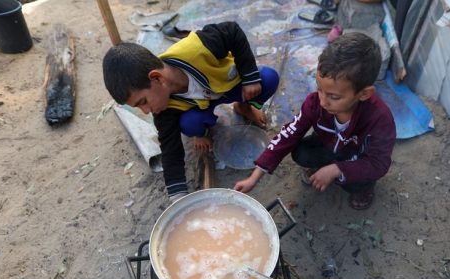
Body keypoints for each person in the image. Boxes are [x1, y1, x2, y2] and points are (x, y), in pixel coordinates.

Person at [102, 22, 279, 202]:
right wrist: (178, 197)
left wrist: (249, 77)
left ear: (157, 78)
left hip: (227, 85)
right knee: (189, 124)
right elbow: (170, 150)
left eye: (143, 102)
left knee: (268, 79)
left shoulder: (198, 48)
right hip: (201, 106)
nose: (146, 111)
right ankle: (202, 132)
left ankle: (243, 106)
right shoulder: (163, 111)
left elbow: (232, 31)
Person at [234, 32, 396, 210]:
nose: (323, 101)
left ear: (364, 94)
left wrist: (338, 169)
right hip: (329, 144)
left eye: (333, 96)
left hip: (356, 156)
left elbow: (379, 163)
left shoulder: (380, 119)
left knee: (355, 182)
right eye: (319, 89)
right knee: (300, 152)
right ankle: (325, 167)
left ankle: (362, 189)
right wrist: (254, 177)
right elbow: (289, 134)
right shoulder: (315, 103)